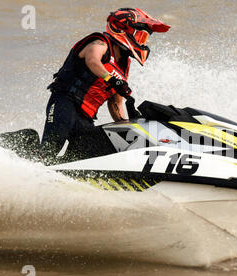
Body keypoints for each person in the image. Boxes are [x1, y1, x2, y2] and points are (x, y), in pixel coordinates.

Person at [40, 8, 170, 163]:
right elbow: (92, 60)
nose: (143, 41)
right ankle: (26, 158)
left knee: (81, 158)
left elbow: (115, 103)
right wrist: (111, 78)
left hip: (86, 118)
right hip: (64, 104)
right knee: (48, 153)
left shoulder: (123, 65)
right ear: (123, 29)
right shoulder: (100, 42)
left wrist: (130, 125)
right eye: (140, 34)